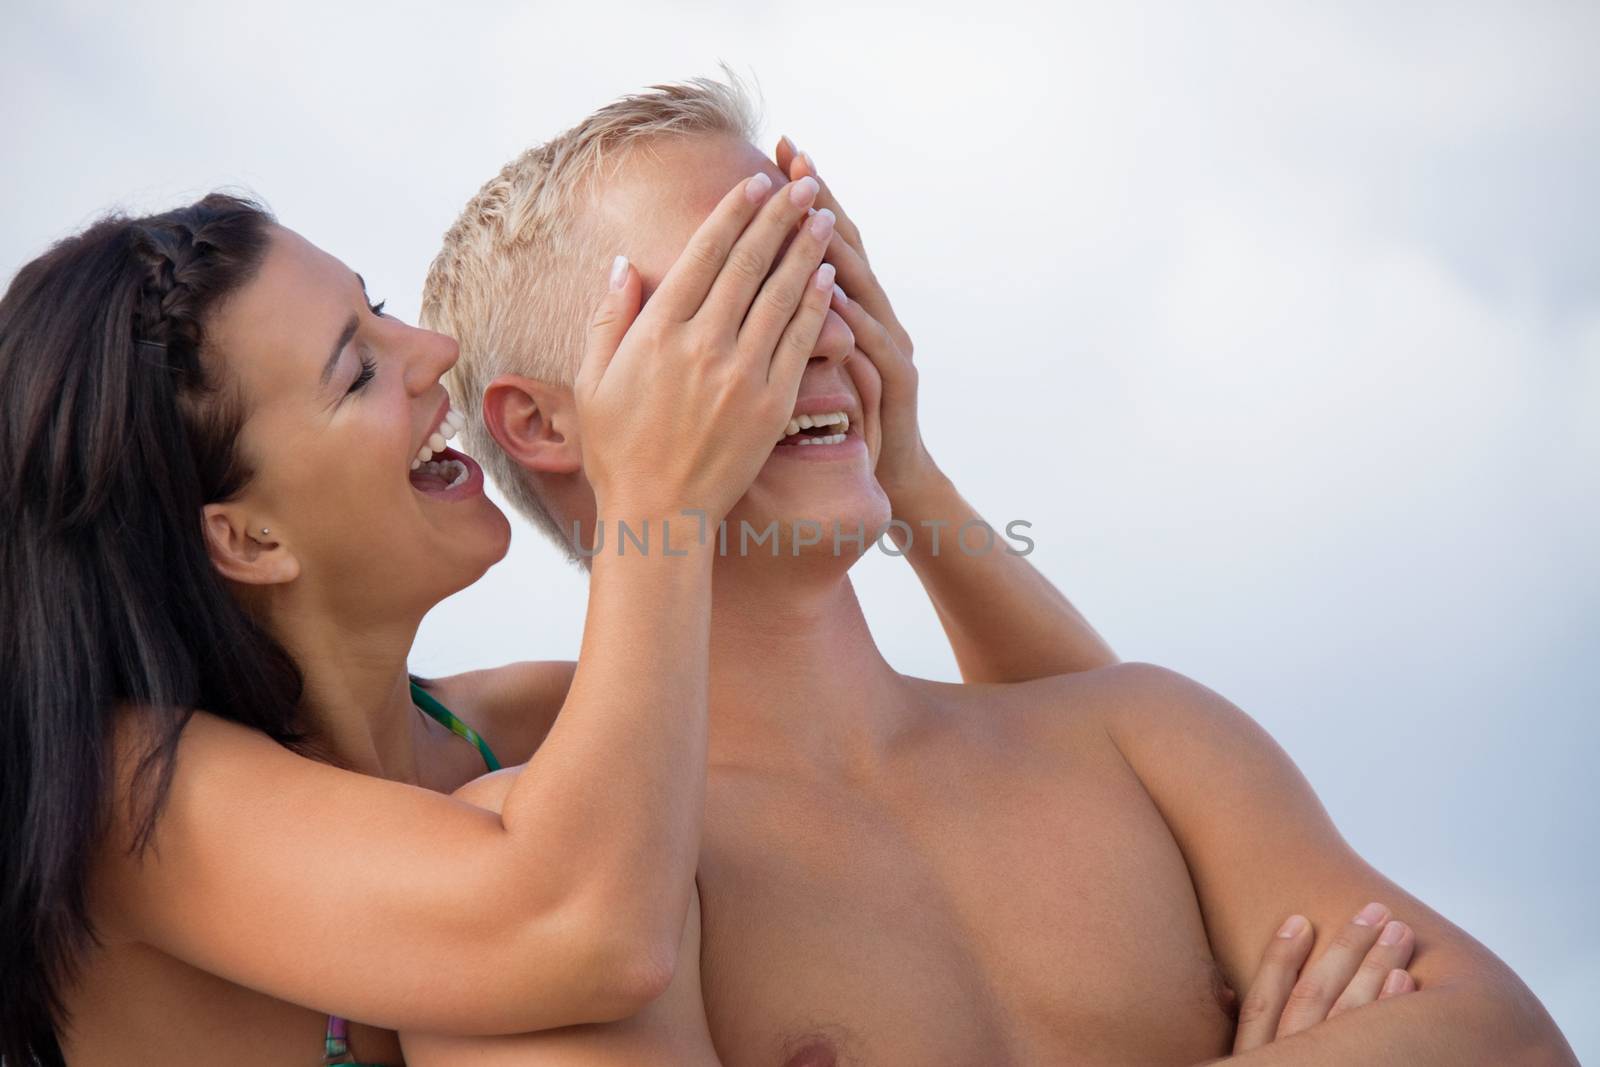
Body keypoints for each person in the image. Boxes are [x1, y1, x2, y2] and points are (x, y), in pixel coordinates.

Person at [407, 76, 1577, 1064]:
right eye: (735, 294)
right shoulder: (550, 874)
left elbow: (1516, 1038)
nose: (818, 329)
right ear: (542, 425)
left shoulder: (1138, 736)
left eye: (819, 269)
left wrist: (902, 463)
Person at [0, 174, 843, 1065]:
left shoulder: (531, 723)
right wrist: (660, 502)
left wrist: (912, 481)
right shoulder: (131, 798)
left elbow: (917, 771)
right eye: (359, 371)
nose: (435, 349)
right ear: (247, 537)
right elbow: (585, 930)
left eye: (383, 309)